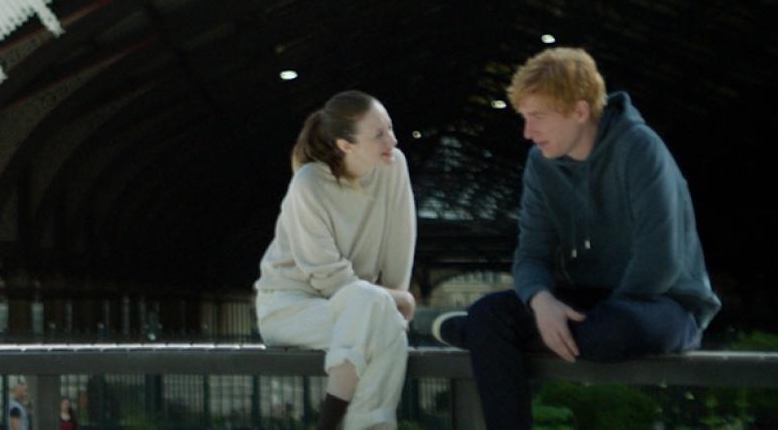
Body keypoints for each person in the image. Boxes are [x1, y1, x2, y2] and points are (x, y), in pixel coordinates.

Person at [446, 48, 719, 430]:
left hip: (661, 301)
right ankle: (489, 336)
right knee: (488, 315)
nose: (527, 132)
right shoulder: (539, 165)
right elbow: (531, 253)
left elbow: (661, 258)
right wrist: (541, 303)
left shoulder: (639, 147)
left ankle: (478, 335)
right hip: (585, 301)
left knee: (611, 330)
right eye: (524, 118)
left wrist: (599, 316)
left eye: (537, 117)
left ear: (579, 111)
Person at [255, 90, 416, 430]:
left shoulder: (393, 167)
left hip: (363, 307)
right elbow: (329, 279)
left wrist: (391, 302)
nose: (393, 139)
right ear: (346, 145)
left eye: (389, 127)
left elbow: (400, 242)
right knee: (377, 317)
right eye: (379, 134)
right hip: (291, 308)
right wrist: (393, 302)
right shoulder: (309, 183)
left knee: (380, 319)